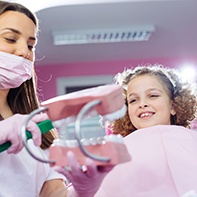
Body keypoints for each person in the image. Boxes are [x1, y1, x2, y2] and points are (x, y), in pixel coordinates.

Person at [0, 1, 113, 196]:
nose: (24, 52)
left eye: (30, 45)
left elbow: (52, 193)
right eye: (10, 39)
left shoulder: (37, 127)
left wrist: (81, 191)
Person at [94, 64, 197, 197]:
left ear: (173, 105)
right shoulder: (117, 151)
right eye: (133, 100)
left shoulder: (191, 140)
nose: (142, 104)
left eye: (153, 96)